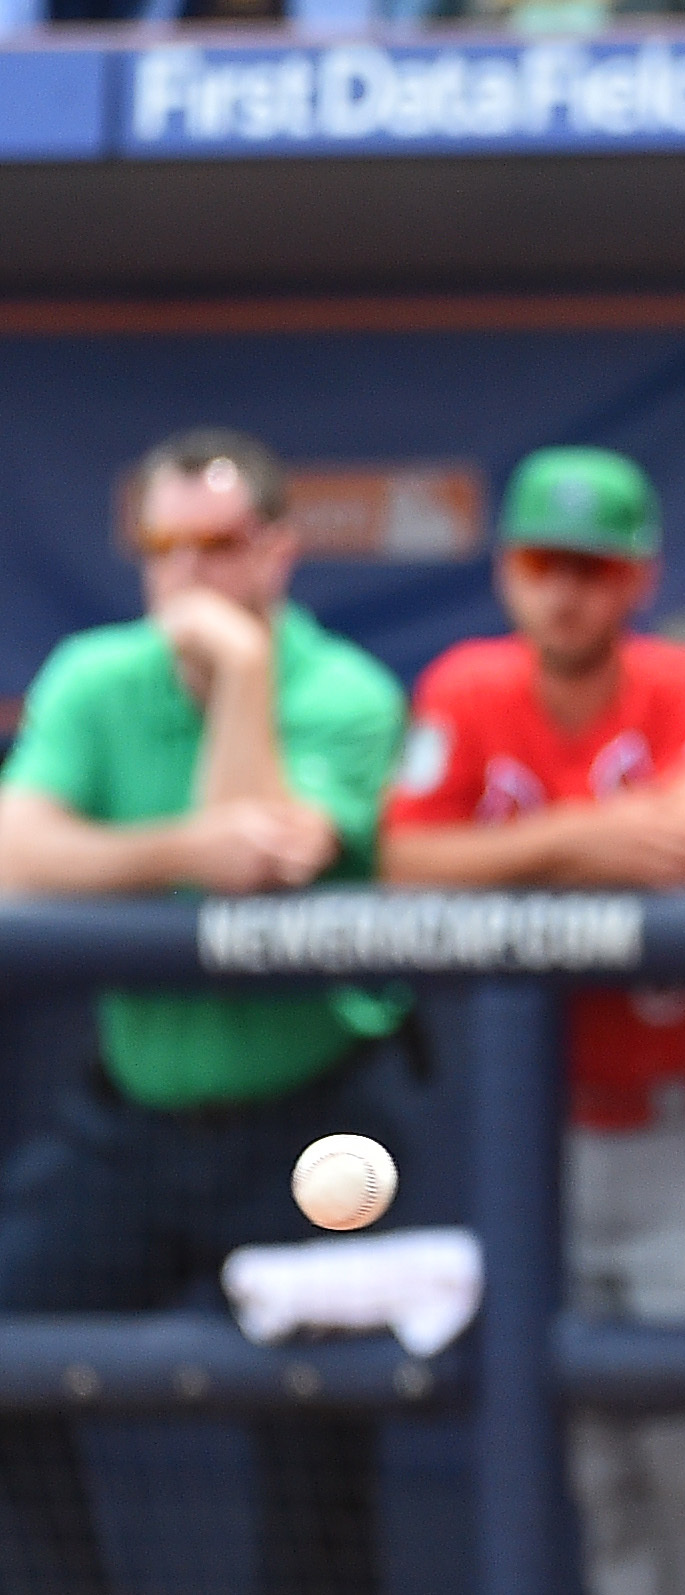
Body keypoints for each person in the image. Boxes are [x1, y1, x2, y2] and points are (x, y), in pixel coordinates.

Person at [378, 447, 685, 1595]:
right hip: (550, 1136)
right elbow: (406, 859)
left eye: (590, 566)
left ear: (637, 579)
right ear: (509, 571)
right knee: (596, 1461)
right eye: (539, 562)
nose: (562, 590)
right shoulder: (467, 687)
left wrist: (507, 860)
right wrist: (579, 840)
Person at [0, 427, 409, 1595]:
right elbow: (13, 853)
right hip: (128, 1118)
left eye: (219, 543)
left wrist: (239, 675)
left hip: (308, 1124)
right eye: (163, 544)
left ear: (278, 549)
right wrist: (182, 845)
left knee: (316, 1435)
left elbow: (258, 866)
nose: (187, 572)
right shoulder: (96, 673)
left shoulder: (344, 688)